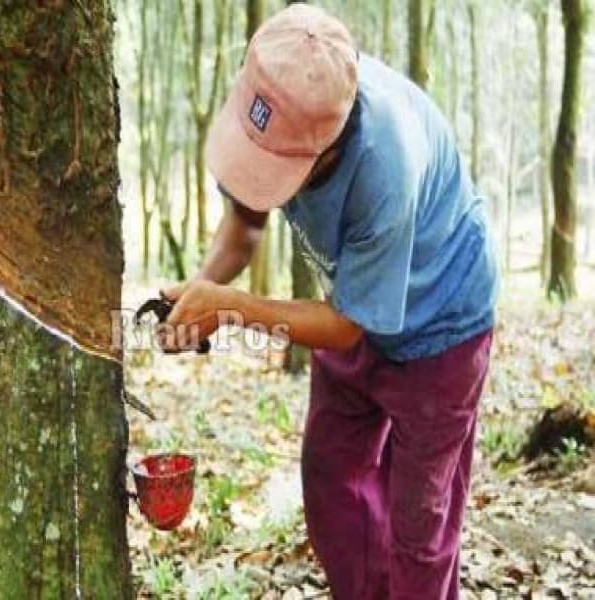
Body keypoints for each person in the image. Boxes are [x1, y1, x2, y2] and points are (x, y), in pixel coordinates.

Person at [157, 3, 498, 599]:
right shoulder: (271, 103)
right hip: (352, 302)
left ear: (329, 149)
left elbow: (345, 327)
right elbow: (245, 222)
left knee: (420, 525)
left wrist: (230, 307)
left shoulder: (385, 162)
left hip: (441, 326)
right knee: (331, 481)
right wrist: (199, 291)